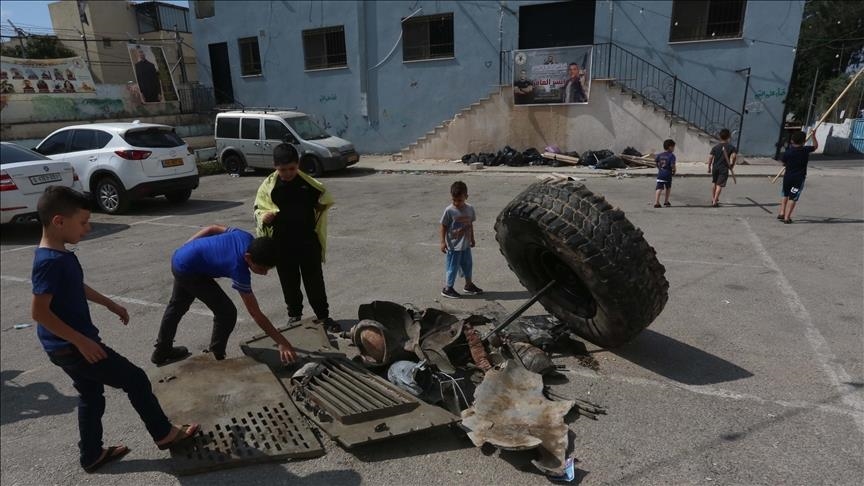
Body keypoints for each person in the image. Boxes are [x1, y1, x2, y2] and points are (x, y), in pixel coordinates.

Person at [31, 186, 200, 473]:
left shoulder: (59, 256)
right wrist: (81, 342)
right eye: (83, 222)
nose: (88, 228)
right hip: (72, 347)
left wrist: (110, 304)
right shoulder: (49, 262)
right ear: (59, 221)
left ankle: (91, 454)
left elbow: (75, 287)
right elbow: (38, 312)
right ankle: (164, 434)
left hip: (65, 347)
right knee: (134, 379)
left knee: (91, 395)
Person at [151, 225, 297, 365]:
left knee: (177, 306)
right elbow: (255, 313)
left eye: (268, 270)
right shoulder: (238, 267)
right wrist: (282, 342)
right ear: (248, 257)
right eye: (260, 268)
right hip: (188, 270)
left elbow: (212, 228)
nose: (264, 273)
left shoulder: (245, 237)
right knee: (226, 313)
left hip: (181, 258)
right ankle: (215, 356)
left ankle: (162, 350)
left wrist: (187, 246)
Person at [254, 143, 337, 331]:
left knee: (315, 281)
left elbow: (323, 198)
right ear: (275, 166)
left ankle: (323, 317)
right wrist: (264, 217)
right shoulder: (269, 188)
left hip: (308, 242)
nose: (288, 173)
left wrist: (321, 206)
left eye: (292, 168)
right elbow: (259, 209)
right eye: (282, 169)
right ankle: (294, 316)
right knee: (289, 283)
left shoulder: (308, 184)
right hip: (282, 246)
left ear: (298, 164)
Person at [440, 181, 483, 298]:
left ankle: (468, 285)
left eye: (459, 200)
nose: (456, 203)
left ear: (466, 197)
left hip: (465, 244)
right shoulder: (449, 210)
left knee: (468, 264)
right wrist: (443, 242)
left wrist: (472, 239)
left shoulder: (470, 209)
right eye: (454, 200)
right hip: (453, 246)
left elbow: (470, 225)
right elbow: (443, 225)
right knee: (452, 267)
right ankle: (448, 288)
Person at [778, 130, 818, 224]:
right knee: (793, 197)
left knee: (785, 194)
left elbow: (783, 164)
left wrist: (788, 164)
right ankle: (787, 217)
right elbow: (815, 147)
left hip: (788, 177)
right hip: (798, 179)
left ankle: (782, 212)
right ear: (804, 142)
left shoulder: (788, 152)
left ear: (792, 141)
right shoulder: (805, 150)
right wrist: (813, 136)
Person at [707, 128, 737, 207]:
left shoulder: (716, 147)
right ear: (729, 137)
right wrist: (732, 165)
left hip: (715, 167)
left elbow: (710, 157)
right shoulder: (731, 147)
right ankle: (715, 201)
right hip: (723, 169)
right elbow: (734, 156)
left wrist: (709, 167)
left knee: (714, 183)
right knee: (719, 185)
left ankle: (713, 198)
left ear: (720, 137)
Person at [653, 139, 677, 208]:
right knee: (668, 187)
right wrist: (674, 170)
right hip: (668, 174)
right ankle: (666, 201)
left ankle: (656, 202)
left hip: (660, 173)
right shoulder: (672, 156)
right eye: (673, 147)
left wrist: (659, 168)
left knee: (659, 188)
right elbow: (672, 165)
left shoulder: (659, 155)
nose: (673, 149)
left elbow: (656, 162)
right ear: (670, 147)